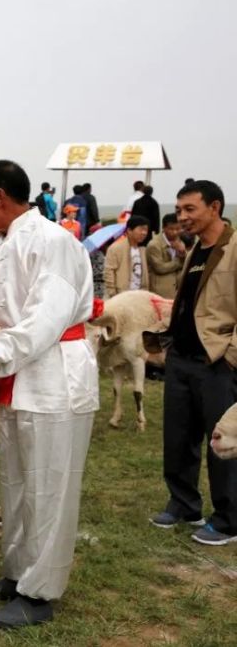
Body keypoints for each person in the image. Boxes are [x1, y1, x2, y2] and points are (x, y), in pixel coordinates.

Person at [0, 160, 98, 629]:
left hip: (56, 373)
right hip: (16, 378)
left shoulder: (53, 241)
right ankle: (17, 574)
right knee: (17, 480)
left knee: (50, 484)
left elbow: (45, 319)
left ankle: (41, 592)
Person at [152, 180, 237, 545]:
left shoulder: (233, 249)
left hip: (216, 360)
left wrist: (230, 356)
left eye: (190, 209)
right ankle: (184, 503)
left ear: (214, 207)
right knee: (178, 436)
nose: (182, 216)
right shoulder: (195, 251)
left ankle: (229, 518)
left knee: (223, 439)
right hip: (182, 359)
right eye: (179, 209)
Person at [103, 215, 150, 298]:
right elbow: (109, 272)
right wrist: (113, 294)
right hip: (121, 295)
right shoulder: (116, 248)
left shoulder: (143, 250)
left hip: (140, 295)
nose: (144, 233)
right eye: (141, 229)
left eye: (146, 230)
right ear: (129, 230)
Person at [146, 213, 186, 299]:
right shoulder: (154, 244)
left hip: (177, 290)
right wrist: (179, 262)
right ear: (163, 228)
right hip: (160, 291)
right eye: (171, 229)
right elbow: (160, 268)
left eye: (178, 229)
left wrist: (183, 253)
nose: (175, 232)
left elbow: (186, 264)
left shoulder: (180, 242)